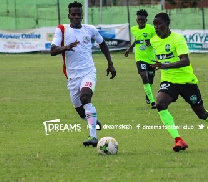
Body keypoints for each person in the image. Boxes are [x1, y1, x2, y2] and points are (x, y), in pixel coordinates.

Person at [150, 13, 208, 152]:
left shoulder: (177, 39)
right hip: (168, 81)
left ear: (167, 23)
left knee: (201, 114)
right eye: (155, 24)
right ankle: (179, 140)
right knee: (160, 103)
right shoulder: (153, 40)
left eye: (159, 24)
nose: (156, 27)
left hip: (186, 81)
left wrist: (166, 65)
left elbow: (185, 61)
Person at [50, 1, 116, 147]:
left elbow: (103, 43)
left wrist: (110, 64)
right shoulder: (62, 29)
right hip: (72, 76)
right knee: (81, 112)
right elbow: (52, 51)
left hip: (88, 72)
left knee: (85, 97)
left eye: (79, 14)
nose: (76, 17)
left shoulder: (90, 29)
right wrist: (66, 47)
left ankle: (93, 137)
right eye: (73, 14)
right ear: (69, 15)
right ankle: (92, 120)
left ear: (82, 15)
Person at [125, 9, 157, 109]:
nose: (140, 21)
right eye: (139, 20)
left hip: (151, 58)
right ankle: (152, 102)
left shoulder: (151, 29)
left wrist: (151, 41)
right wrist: (129, 48)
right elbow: (137, 39)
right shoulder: (134, 29)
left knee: (151, 78)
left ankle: (148, 95)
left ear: (146, 20)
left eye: (142, 20)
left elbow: (157, 39)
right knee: (144, 77)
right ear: (136, 20)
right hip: (140, 57)